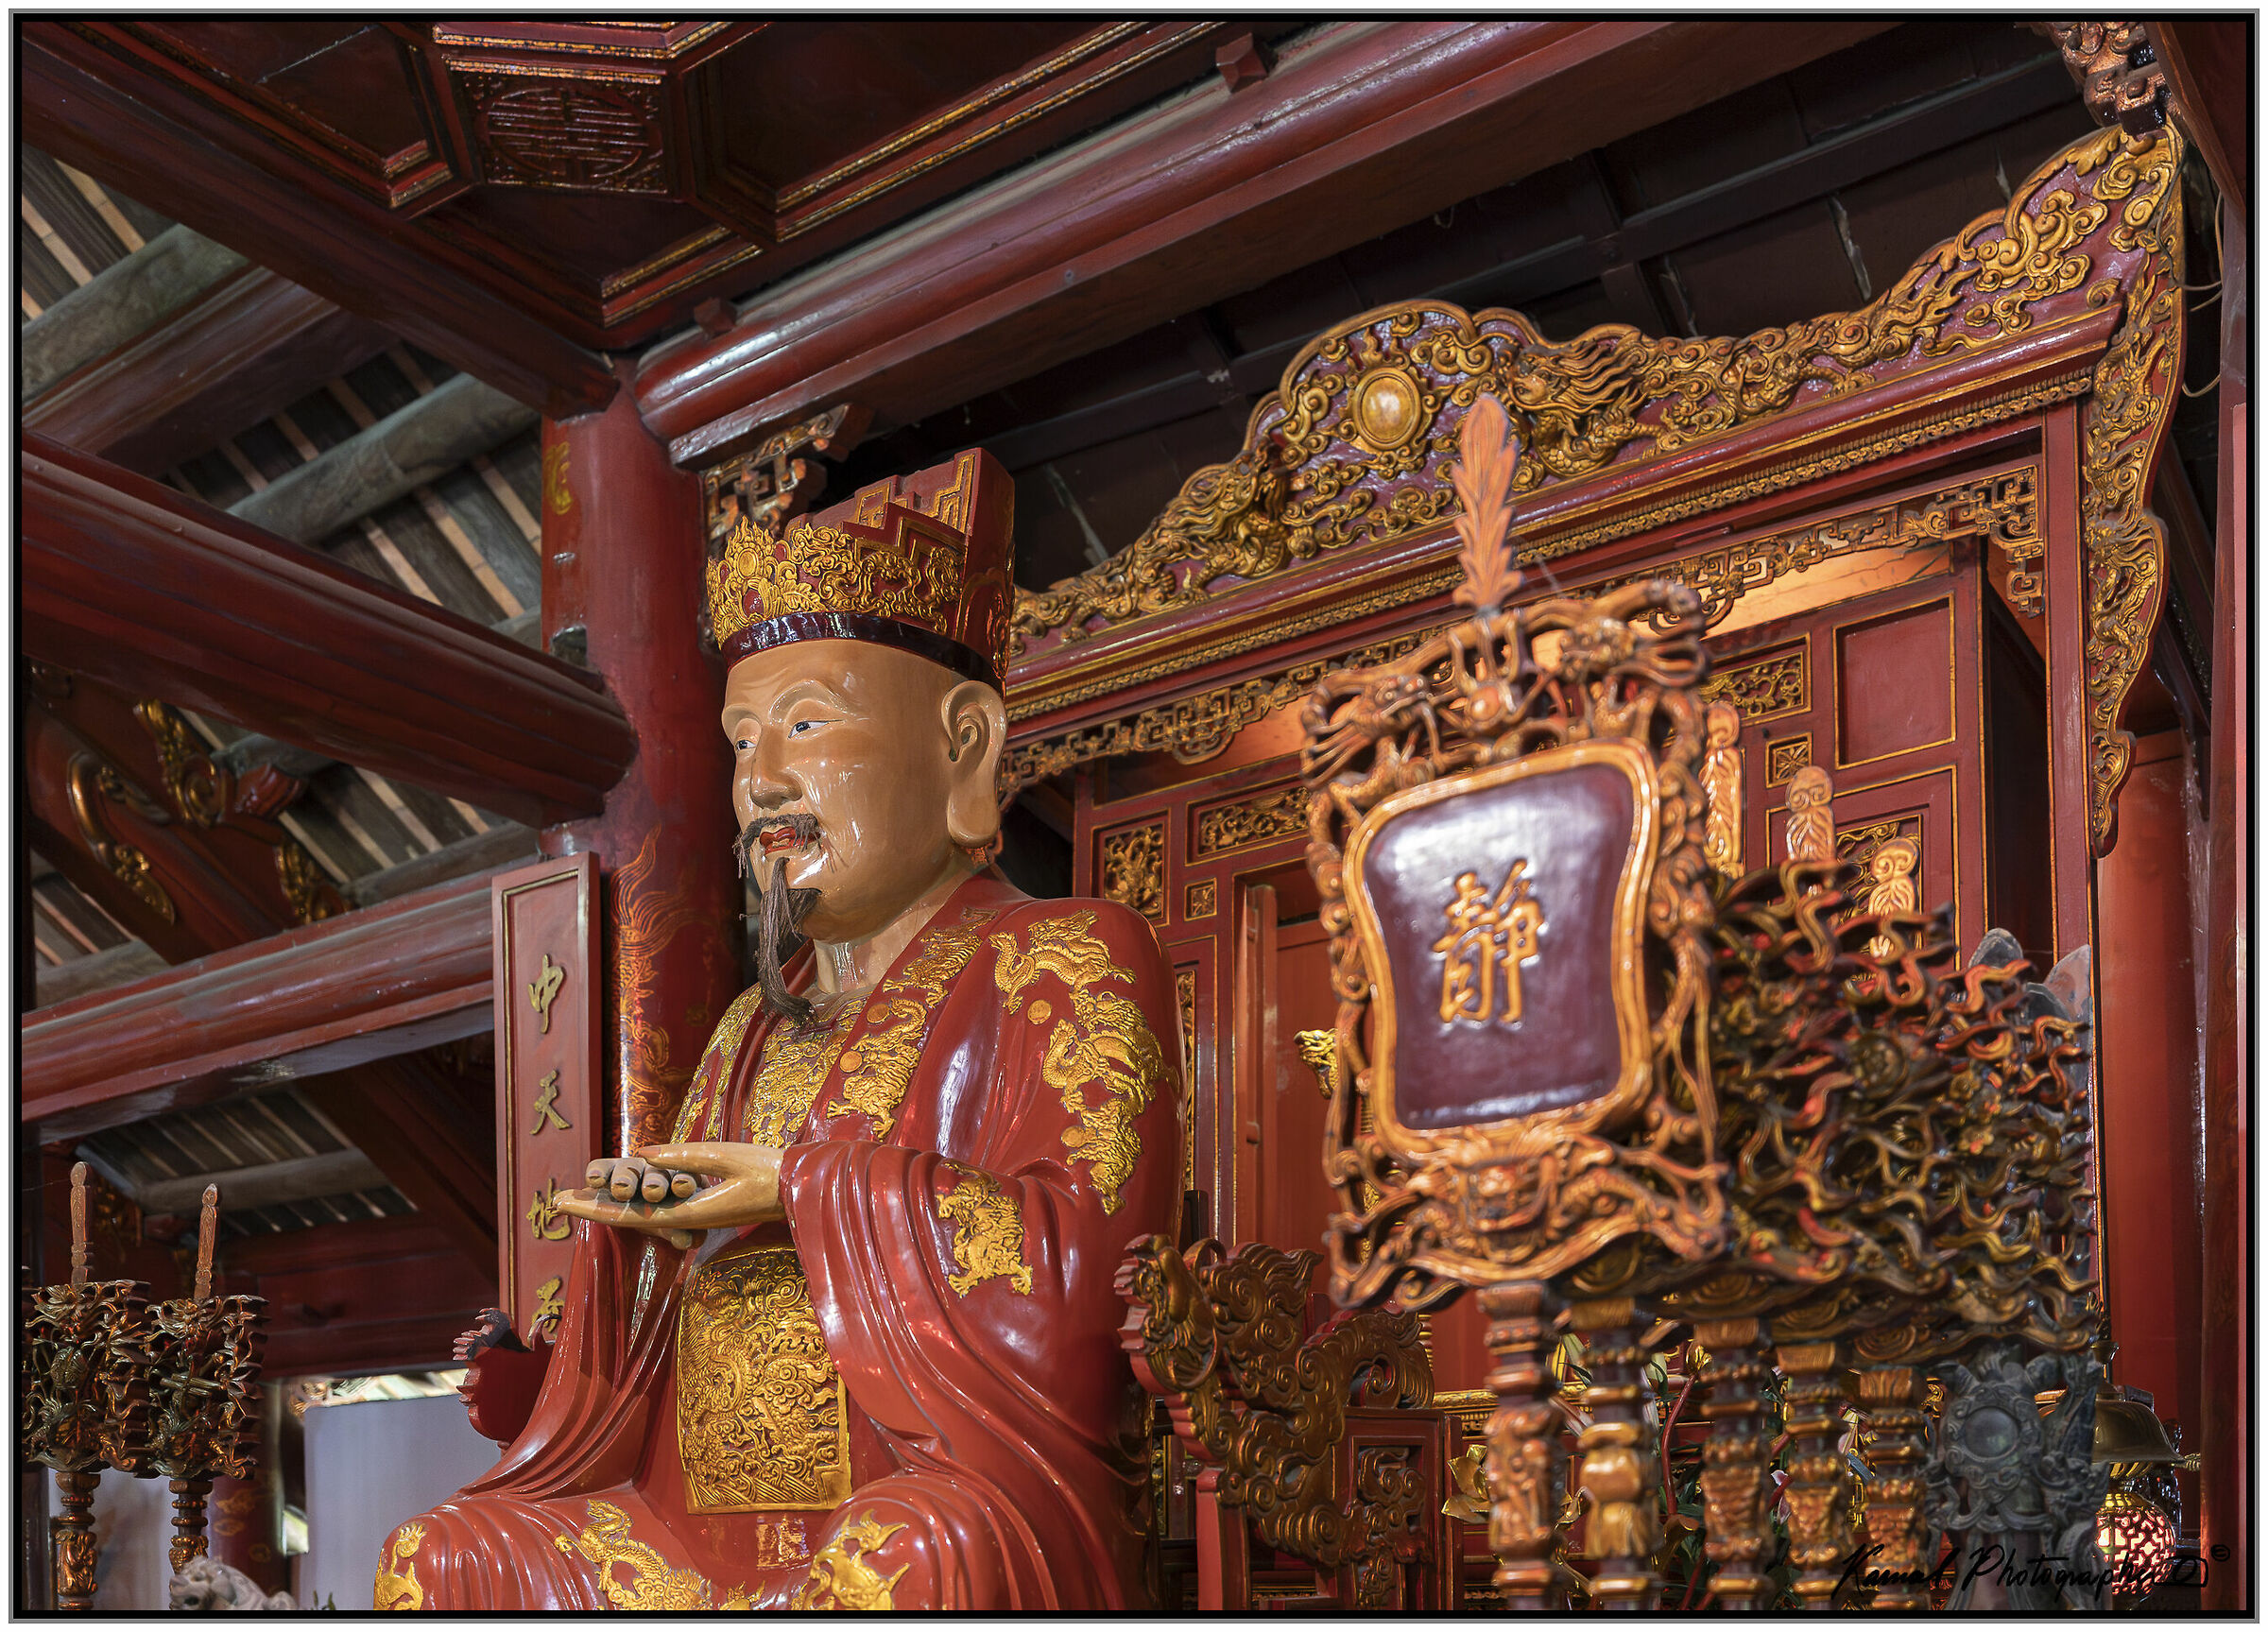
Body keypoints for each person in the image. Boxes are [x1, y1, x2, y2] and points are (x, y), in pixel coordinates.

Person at [374, 450, 1181, 1611]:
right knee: (439, 1555)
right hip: (685, 1523)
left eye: (807, 723)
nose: (762, 780)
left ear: (964, 746)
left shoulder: (1069, 957)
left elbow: (1078, 1281)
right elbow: (675, 1315)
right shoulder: (754, 1020)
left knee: (900, 1558)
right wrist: (592, 1309)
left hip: (947, 1488)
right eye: (744, 739)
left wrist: (800, 1185)